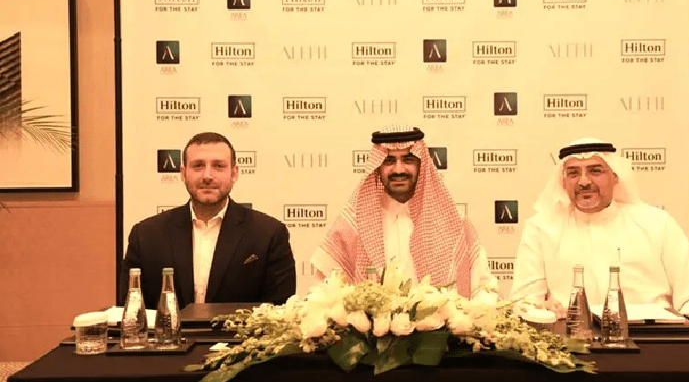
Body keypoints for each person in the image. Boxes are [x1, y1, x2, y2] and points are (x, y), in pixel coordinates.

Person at [510, 137, 689, 316]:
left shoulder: (657, 223)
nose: (584, 181)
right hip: (570, 340)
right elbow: (523, 303)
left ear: (615, 176)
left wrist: (686, 337)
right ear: (563, 182)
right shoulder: (541, 229)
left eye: (595, 171)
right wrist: (539, 310)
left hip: (652, 339)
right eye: (573, 173)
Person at [310, 124, 497, 300]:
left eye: (408, 160)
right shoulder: (354, 224)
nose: (398, 169)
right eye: (389, 161)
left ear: (421, 165)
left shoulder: (454, 221)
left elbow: (484, 289)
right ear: (378, 168)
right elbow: (325, 293)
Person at [119, 132, 296, 310]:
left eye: (218, 166)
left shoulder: (268, 234)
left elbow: (279, 313)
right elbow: (130, 311)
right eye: (198, 166)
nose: (207, 176)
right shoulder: (146, 236)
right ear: (183, 174)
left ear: (234, 174)